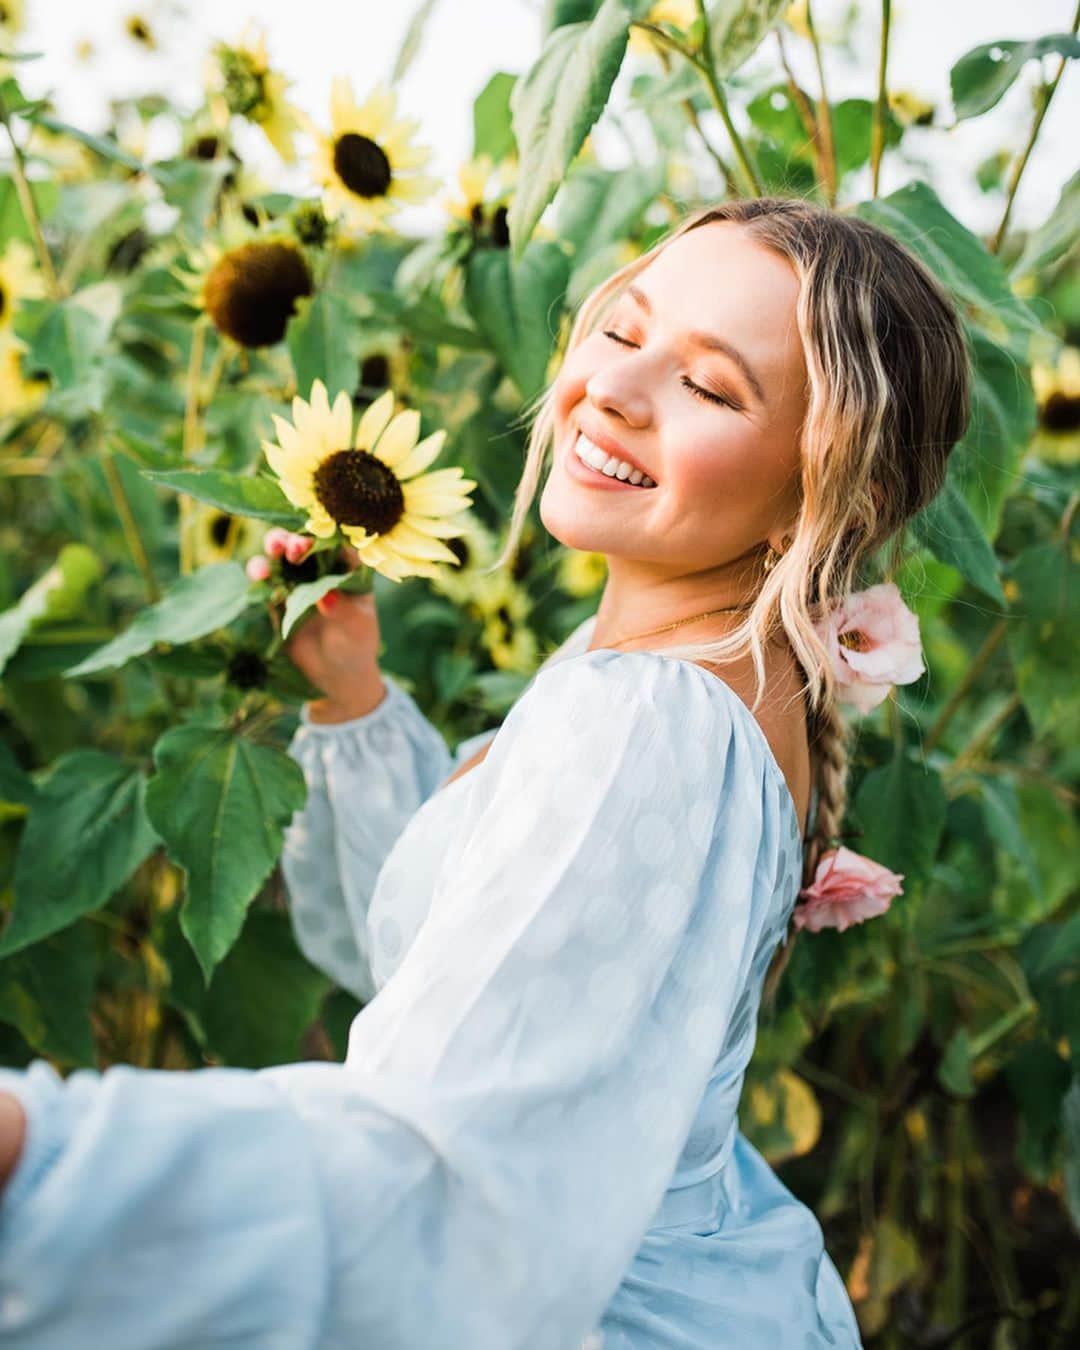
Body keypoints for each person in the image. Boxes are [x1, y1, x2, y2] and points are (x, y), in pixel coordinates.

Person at [0, 197, 970, 1348]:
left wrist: (43, 1166)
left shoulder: (654, 725)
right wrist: (354, 701)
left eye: (710, 387)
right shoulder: (689, 671)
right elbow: (482, 950)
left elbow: (441, 1184)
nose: (612, 389)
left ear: (830, 494)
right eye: (624, 329)